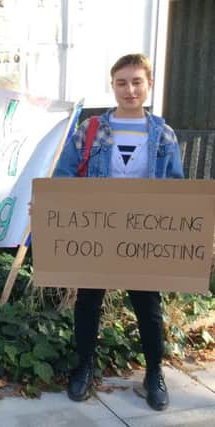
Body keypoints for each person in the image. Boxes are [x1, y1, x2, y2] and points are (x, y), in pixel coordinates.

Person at [53, 53, 183, 411]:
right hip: (98, 231)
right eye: (122, 82)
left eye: (137, 81)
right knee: (88, 301)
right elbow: (65, 176)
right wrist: (50, 207)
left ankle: (153, 372)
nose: (129, 89)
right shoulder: (90, 130)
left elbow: (176, 188)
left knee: (148, 305)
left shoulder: (163, 134)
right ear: (112, 86)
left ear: (148, 85)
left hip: (142, 236)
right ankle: (84, 368)